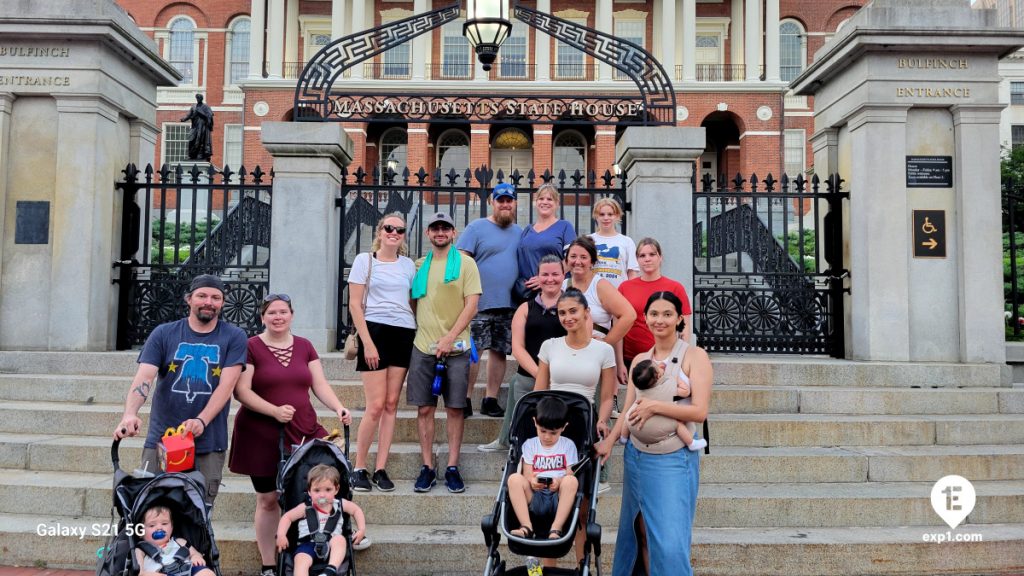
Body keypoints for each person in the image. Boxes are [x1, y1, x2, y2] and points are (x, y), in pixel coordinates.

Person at [228, 294, 354, 576]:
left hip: (303, 428)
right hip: (259, 433)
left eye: (283, 312)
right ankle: (269, 563)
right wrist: (273, 411)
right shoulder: (251, 347)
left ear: (291, 315)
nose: (277, 317)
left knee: (315, 489)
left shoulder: (305, 346)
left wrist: (338, 407)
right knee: (268, 499)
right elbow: (242, 391)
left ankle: (317, 549)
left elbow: (319, 384)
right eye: (271, 312)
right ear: (262, 317)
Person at [597, 291, 713, 576]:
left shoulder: (694, 356)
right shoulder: (639, 360)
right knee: (639, 532)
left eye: (667, 314)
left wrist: (655, 407)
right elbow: (627, 409)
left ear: (678, 319)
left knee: (671, 542)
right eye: (654, 314)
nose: (660, 320)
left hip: (672, 459)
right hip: (636, 456)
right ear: (645, 318)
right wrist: (610, 442)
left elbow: (699, 412)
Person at [113, 274, 247, 503]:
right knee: (152, 508)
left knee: (199, 511)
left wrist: (201, 421)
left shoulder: (234, 336)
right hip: (162, 438)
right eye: (202, 296)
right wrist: (129, 414)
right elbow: (144, 377)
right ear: (189, 299)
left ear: (223, 303)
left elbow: (227, 386)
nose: (209, 302)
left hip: (208, 440)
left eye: (216, 297)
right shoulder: (164, 333)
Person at [534, 288, 615, 563]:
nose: (567, 317)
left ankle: (582, 565)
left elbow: (606, 397)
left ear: (586, 313)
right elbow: (539, 391)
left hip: (583, 426)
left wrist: (602, 421)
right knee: (545, 500)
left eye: (573, 311)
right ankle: (544, 569)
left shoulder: (603, 350)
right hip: (551, 427)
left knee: (581, 505)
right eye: (562, 312)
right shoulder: (550, 346)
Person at [408, 211, 481, 493]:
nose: (440, 232)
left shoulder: (466, 264)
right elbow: (413, 302)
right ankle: (427, 466)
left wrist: (449, 337)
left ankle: (452, 466)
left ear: (454, 232)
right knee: (425, 408)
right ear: (428, 233)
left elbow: (471, 305)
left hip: (456, 347)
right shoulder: (418, 265)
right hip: (423, 347)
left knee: (454, 409)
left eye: (445, 228)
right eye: (435, 228)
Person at [347, 213, 417, 492]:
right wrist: (368, 342)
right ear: (380, 231)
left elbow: (413, 300)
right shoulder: (365, 260)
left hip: (403, 331)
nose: (394, 233)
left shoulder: (409, 265)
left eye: (399, 230)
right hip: (374, 331)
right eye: (389, 228)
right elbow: (355, 305)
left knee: (391, 404)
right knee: (375, 405)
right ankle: (359, 466)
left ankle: (381, 468)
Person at [478, 254, 566, 453]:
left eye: (555, 274)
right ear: (537, 277)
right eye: (545, 274)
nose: (550, 279)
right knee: (519, 387)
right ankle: (508, 440)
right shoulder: (526, 308)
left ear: (563, 275)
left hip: (563, 378)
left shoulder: (573, 305)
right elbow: (518, 348)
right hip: (530, 376)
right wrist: (539, 374)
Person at [457, 182, 522, 418]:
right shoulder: (476, 228)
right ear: (491, 202)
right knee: (475, 351)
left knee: (499, 352)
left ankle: (490, 399)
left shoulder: (520, 232)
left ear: (515, 203)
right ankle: (464, 398)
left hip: (508, 303)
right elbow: (461, 261)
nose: (505, 204)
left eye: (509, 200)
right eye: (500, 200)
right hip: (479, 303)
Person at [506, 396, 579, 542]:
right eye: (543, 431)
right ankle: (526, 526)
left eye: (553, 433)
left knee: (571, 481)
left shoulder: (568, 445)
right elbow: (527, 473)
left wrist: (559, 481)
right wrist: (532, 481)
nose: (547, 437)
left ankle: (556, 528)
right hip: (534, 495)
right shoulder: (530, 444)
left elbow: (571, 472)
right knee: (514, 479)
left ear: (564, 427)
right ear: (535, 423)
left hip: (557, 495)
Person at [276, 464, 367, 576]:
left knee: (340, 540)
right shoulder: (305, 507)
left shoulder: (340, 504)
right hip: (307, 544)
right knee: (300, 560)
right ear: (309, 491)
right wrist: (281, 535)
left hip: (332, 544)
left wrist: (361, 529)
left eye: (328, 489)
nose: (322, 495)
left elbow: (356, 510)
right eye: (317, 490)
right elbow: (287, 517)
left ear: (336, 489)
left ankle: (330, 570)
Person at [618, 237, 692, 373]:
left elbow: (684, 327)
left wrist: (680, 358)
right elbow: (618, 327)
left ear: (660, 257)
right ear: (637, 260)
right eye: (642, 255)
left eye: (652, 254)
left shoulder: (675, 288)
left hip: (665, 358)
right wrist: (619, 363)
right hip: (631, 359)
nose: (647, 259)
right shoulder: (625, 288)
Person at [621, 359, 707, 452]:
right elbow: (686, 392)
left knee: (627, 417)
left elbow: (651, 373)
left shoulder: (639, 388)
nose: (660, 366)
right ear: (658, 376)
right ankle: (691, 443)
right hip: (656, 430)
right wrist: (676, 378)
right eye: (658, 367)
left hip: (635, 427)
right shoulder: (667, 388)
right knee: (678, 425)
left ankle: (623, 437)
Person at [515, 183, 576, 303]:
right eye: (541, 198)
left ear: (557, 203)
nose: (545, 202)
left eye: (549, 199)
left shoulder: (564, 227)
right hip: (529, 295)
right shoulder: (527, 230)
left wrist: (544, 277)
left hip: (555, 293)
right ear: (535, 202)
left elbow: (572, 259)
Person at [135, 505, 215, 576]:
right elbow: (140, 571)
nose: (159, 528)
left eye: (164, 524)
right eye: (152, 525)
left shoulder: (180, 542)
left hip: (186, 571)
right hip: (159, 573)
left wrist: (195, 557)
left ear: (172, 527)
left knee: (206, 573)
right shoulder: (141, 550)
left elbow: (196, 554)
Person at [589, 198, 638, 288]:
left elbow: (632, 274)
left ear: (617, 216)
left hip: (619, 295)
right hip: (593, 295)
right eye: (602, 214)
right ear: (596, 216)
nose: (606, 218)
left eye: (610, 214)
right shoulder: (588, 240)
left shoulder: (627, 242)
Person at [180, 94, 214, 161]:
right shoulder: (193, 107)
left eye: (199, 98)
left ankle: (200, 154)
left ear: (202, 98)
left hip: (202, 127)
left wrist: (201, 113)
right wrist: (184, 119)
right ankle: (192, 154)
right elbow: (189, 115)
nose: (198, 99)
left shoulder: (206, 107)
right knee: (192, 139)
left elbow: (209, 116)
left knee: (201, 140)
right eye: (197, 98)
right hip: (195, 126)